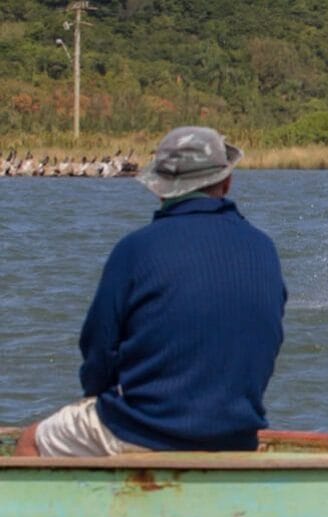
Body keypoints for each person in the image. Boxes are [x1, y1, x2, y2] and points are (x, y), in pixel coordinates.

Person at [15, 127, 286, 456]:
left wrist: (100, 397)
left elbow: (98, 349)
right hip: (238, 434)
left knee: (30, 440)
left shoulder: (134, 250)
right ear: (227, 182)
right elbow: (267, 343)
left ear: (160, 189)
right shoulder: (264, 248)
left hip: (141, 430)